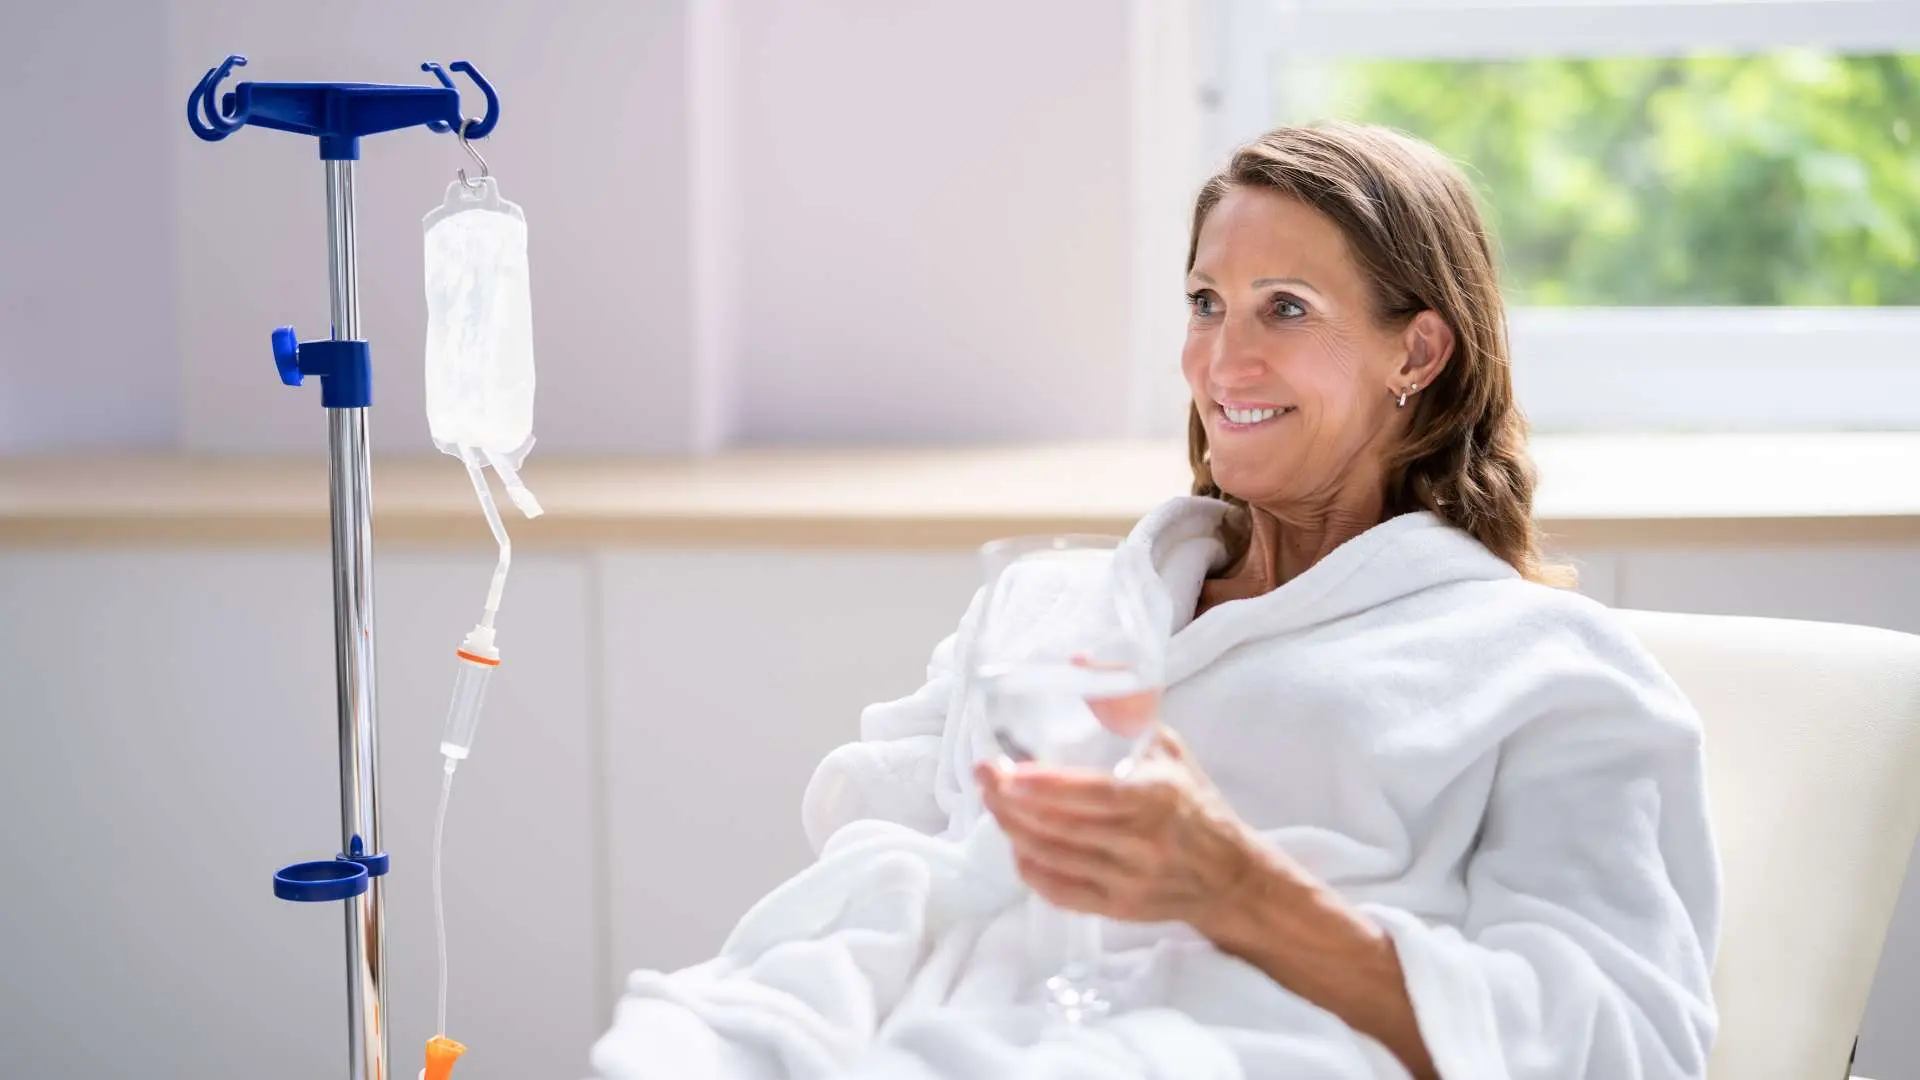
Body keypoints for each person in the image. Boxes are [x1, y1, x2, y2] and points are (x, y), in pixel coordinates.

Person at [591, 123, 1720, 1080]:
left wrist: (1242, 891)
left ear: (1416, 352)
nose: (1223, 362)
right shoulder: (1049, 610)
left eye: (1285, 309)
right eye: (1205, 302)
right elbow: (876, 855)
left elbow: (1627, 1039)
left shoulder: (1540, 666)